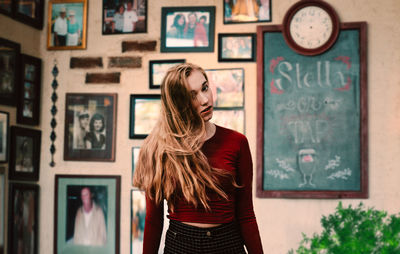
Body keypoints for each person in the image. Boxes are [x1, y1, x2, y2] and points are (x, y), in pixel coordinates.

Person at [133, 63, 263, 253]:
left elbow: (246, 214)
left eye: (205, 88)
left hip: (228, 244)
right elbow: (153, 220)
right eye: (192, 95)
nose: (204, 99)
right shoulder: (157, 147)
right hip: (180, 245)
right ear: (178, 104)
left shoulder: (237, 142)